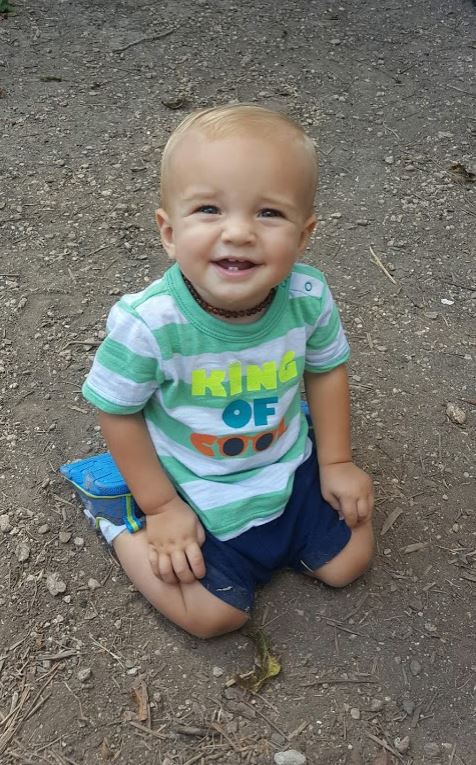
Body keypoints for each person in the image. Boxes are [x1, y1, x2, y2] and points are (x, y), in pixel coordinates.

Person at [82, 104, 374, 639]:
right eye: (209, 209)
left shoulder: (308, 297)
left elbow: (326, 369)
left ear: (303, 235)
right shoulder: (150, 323)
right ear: (169, 232)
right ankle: (118, 517)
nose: (238, 232)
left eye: (269, 213)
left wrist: (336, 461)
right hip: (188, 479)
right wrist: (161, 507)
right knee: (215, 616)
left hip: (286, 464)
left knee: (350, 559)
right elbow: (117, 410)